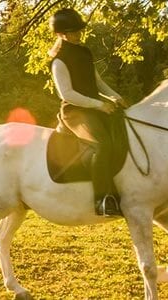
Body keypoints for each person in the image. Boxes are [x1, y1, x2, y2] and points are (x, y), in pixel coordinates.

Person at [48, 8, 127, 217]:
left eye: (78, 30)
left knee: (122, 134)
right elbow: (67, 93)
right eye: (73, 31)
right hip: (75, 112)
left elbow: (98, 83)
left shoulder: (84, 52)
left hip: (93, 107)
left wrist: (115, 96)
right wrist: (99, 105)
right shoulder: (58, 60)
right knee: (102, 146)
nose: (78, 34)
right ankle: (102, 200)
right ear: (61, 33)